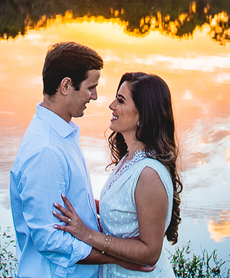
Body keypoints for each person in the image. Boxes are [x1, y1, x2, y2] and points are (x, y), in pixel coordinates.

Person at [10, 42, 148, 277]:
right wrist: (120, 257)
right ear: (66, 86)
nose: (95, 96)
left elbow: (69, 202)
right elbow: (50, 240)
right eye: (90, 87)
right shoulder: (46, 150)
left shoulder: (62, 134)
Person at [53, 72, 182, 278]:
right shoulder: (130, 159)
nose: (111, 105)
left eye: (120, 100)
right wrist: (74, 200)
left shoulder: (149, 173)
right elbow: (123, 211)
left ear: (142, 114)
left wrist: (88, 235)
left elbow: (150, 252)